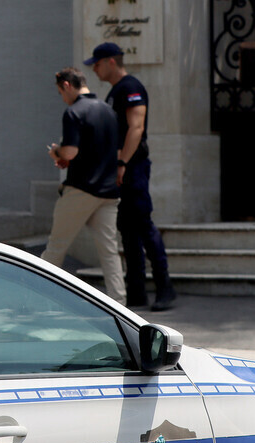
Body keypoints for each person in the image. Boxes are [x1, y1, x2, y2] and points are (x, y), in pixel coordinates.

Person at [86, 42, 176, 311]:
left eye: (97, 64)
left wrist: (122, 162)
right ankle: (136, 291)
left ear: (111, 62)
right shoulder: (116, 91)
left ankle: (165, 287)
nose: (95, 69)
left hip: (132, 167)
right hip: (120, 168)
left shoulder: (131, 87)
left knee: (144, 225)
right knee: (127, 229)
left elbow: (136, 128)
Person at [42, 68, 126, 305]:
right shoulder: (109, 111)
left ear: (67, 85)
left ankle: (35, 298)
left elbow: (70, 151)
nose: (62, 98)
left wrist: (56, 152)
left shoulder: (74, 112)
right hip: (108, 192)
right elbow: (113, 151)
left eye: (60, 93)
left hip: (81, 190)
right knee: (109, 252)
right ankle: (120, 301)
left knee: (56, 247)